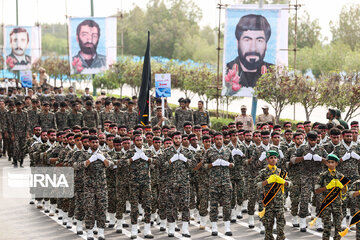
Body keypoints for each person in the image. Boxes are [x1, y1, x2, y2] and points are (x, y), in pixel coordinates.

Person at [225, 14, 273, 94]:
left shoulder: (273, 72)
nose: (253, 48)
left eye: (259, 40)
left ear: (266, 45)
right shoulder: (227, 69)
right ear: (238, 43)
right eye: (247, 40)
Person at [256, 150, 291, 240]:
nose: (273, 160)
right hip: (269, 202)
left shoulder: (281, 172)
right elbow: (257, 185)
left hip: (279, 202)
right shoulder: (263, 172)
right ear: (267, 159)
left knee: (281, 224)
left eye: (275, 158)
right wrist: (267, 181)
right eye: (271, 158)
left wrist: (284, 182)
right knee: (268, 224)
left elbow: (290, 184)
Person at [314, 154, 346, 240]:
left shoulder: (341, 176)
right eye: (329, 162)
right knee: (327, 228)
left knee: (338, 227)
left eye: (333, 162)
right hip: (326, 203)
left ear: (336, 163)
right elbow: (316, 190)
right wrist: (327, 187)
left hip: (337, 204)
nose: (331, 164)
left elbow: (345, 191)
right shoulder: (322, 175)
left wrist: (341, 186)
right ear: (327, 164)